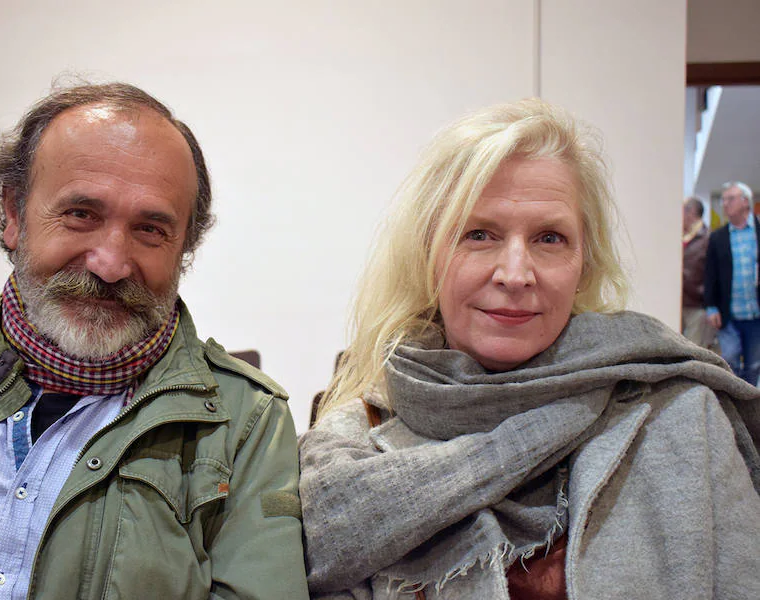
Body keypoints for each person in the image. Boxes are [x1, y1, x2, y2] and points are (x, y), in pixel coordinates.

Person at [0, 82, 309, 599]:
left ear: (184, 247)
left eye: (150, 229)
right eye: (81, 215)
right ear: (13, 214)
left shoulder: (247, 423)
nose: (111, 263)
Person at [299, 99, 760, 599]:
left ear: (584, 262)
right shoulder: (352, 448)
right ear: (429, 255)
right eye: (478, 234)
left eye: (549, 238)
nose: (515, 274)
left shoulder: (682, 413)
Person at [705, 181, 760, 386]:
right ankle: (734, 408)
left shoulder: (758, 232)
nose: (725, 204)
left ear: (745, 202)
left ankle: (751, 410)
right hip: (728, 313)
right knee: (729, 361)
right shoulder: (718, 237)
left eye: (730, 199)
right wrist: (710, 307)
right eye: (723, 200)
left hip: (756, 315)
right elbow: (710, 274)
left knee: (753, 365)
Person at [681, 196, 716, 348]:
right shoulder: (680, 236)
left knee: (691, 350)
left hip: (696, 304)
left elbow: (713, 273)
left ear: (691, 213)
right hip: (679, 301)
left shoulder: (707, 238)